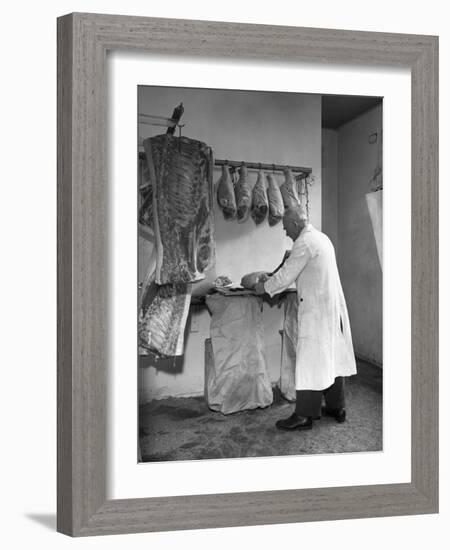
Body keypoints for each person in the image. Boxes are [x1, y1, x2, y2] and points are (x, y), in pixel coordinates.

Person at [254, 206, 357, 430]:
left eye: (286, 228)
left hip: (317, 312)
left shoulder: (304, 242)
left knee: (309, 362)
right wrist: (274, 278)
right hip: (331, 308)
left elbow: (285, 277)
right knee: (332, 357)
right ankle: (336, 407)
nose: (286, 233)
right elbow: (302, 271)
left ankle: (304, 415)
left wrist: (262, 287)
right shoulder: (322, 238)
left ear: (296, 224)